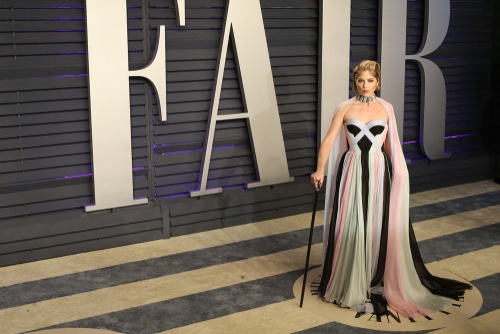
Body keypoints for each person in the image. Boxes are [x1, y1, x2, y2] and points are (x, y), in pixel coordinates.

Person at [310, 60, 471, 318]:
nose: (365, 85)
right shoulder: (344, 108)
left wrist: (398, 174)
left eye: (370, 81)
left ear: (378, 82)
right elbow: (329, 140)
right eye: (361, 81)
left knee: (375, 224)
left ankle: (374, 273)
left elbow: (391, 145)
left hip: (378, 170)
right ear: (355, 82)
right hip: (351, 170)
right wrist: (319, 169)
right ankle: (351, 279)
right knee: (353, 223)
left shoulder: (387, 108)